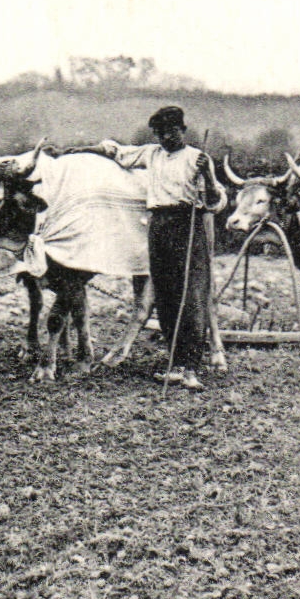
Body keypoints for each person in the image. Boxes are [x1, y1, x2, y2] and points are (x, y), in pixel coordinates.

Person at [97, 106, 225, 390]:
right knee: (165, 297)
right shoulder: (151, 154)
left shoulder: (197, 159)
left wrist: (209, 176)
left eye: (172, 131)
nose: (167, 137)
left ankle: (192, 368)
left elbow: (215, 201)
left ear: (183, 130)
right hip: (158, 226)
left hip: (187, 224)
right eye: (161, 133)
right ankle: (175, 365)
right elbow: (118, 153)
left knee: (191, 296)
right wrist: (81, 150)